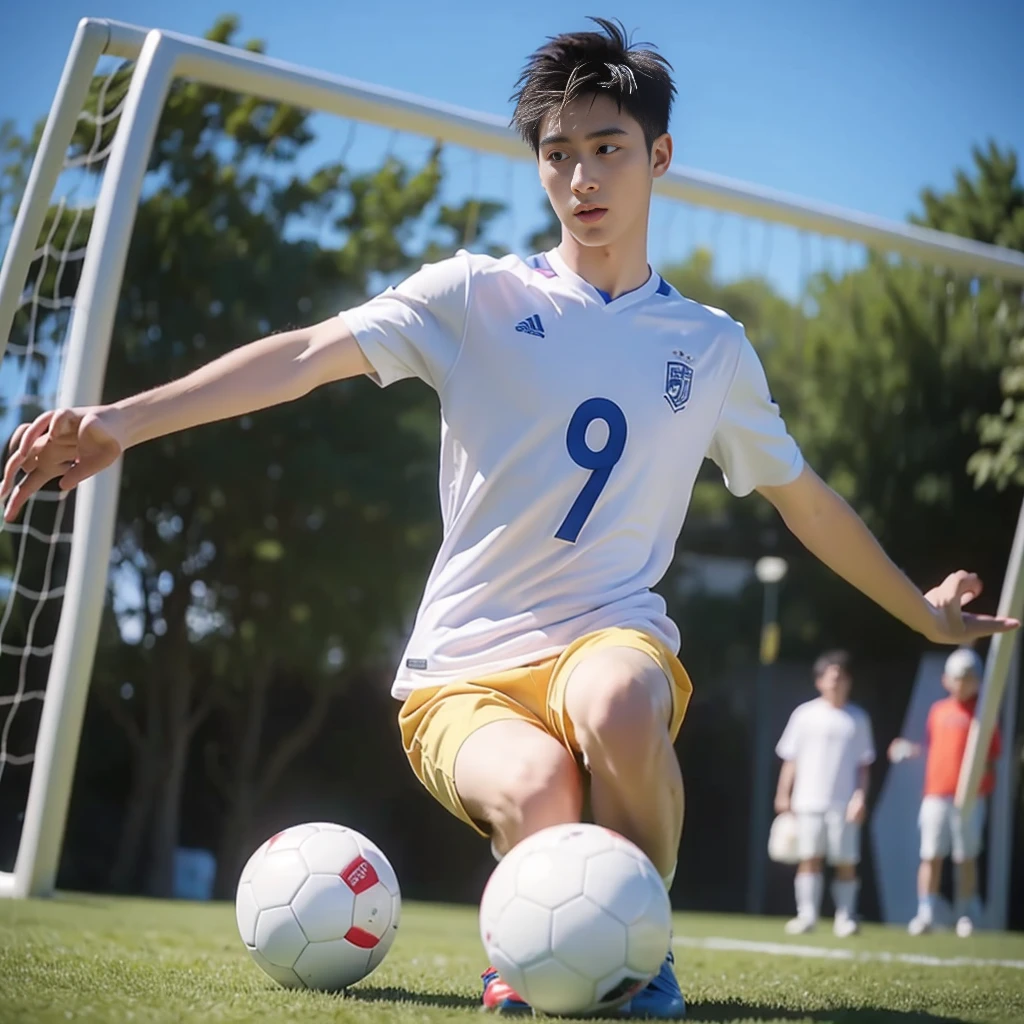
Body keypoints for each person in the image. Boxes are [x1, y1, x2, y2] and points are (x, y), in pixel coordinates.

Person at [1, 18, 1017, 1019]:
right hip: (460, 670)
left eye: (608, 149)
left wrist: (922, 614)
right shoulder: (471, 295)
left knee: (620, 698)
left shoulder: (709, 348)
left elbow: (806, 501)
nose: (582, 178)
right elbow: (307, 355)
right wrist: (121, 421)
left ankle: (634, 949)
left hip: (607, 635)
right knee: (535, 787)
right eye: (557, 154)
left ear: (659, 156)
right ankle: (529, 956)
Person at [888, 647, 1000, 938]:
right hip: (936, 794)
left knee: (965, 857)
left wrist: (978, 785)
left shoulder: (984, 713)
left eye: (968, 678)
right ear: (947, 680)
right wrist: (908, 750)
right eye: (958, 678)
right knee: (931, 855)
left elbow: (991, 758)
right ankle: (925, 912)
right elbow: (933, 749)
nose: (963, 683)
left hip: (970, 799)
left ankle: (966, 913)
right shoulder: (937, 711)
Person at [774, 651, 875, 937]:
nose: (835, 682)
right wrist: (784, 794)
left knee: (845, 862)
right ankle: (807, 916)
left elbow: (864, 766)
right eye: (830, 677)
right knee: (809, 858)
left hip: (844, 804)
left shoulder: (857, 719)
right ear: (819, 682)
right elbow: (790, 758)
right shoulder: (804, 715)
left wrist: (860, 798)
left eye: (841, 677)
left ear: (849, 681)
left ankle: (845, 917)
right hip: (807, 801)